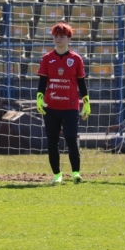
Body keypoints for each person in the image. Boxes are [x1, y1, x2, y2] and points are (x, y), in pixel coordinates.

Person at [36, 22, 91, 185]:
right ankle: (57, 174)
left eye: (62, 36)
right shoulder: (47, 59)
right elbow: (42, 81)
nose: (58, 39)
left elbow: (81, 83)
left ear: (68, 38)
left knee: (71, 139)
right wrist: (39, 98)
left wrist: (86, 103)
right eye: (56, 36)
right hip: (51, 107)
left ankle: (76, 173)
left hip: (70, 107)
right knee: (52, 141)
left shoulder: (76, 59)